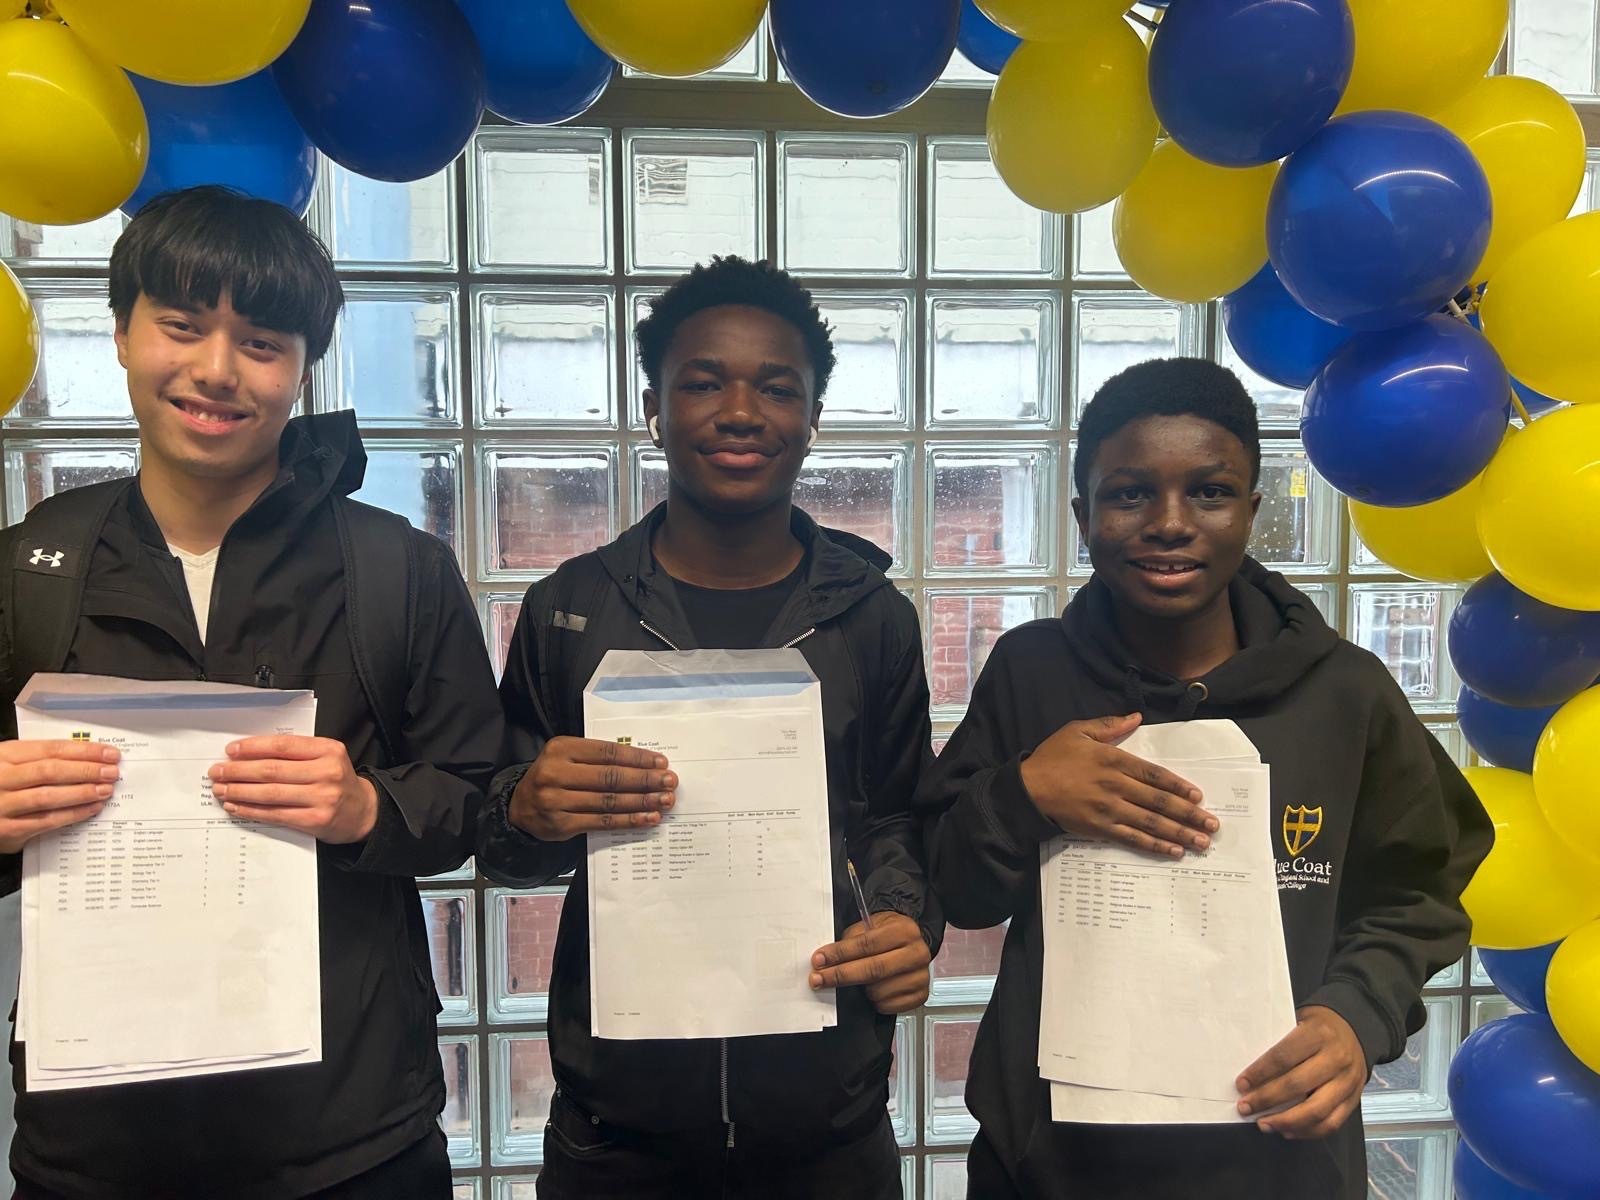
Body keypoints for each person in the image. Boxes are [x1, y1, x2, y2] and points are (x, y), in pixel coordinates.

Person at [0, 186, 503, 1199]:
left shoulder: (396, 570)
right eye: (182, 326)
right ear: (121, 333)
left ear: (302, 368)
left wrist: (369, 807)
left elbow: (485, 798)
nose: (217, 371)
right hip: (97, 1150)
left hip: (352, 1143)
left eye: (262, 342)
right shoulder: (28, 571)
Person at [916, 358, 1493, 1199]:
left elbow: (1419, 893)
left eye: (1211, 492)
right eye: (1129, 494)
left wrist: (1354, 1015)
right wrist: (1023, 796)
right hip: (1050, 1162)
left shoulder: (1345, 692)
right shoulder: (1030, 671)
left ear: (1252, 510)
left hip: (1278, 1157)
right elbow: (952, 888)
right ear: (1082, 516)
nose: (1170, 523)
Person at [478, 256, 937, 1199]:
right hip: (618, 1134)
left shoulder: (872, 619)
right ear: (653, 408)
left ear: (813, 417)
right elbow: (504, 845)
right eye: (702, 383)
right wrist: (526, 807)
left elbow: (897, 817)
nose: (740, 412)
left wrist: (903, 919)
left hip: (828, 1127)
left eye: (777, 387)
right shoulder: (570, 609)